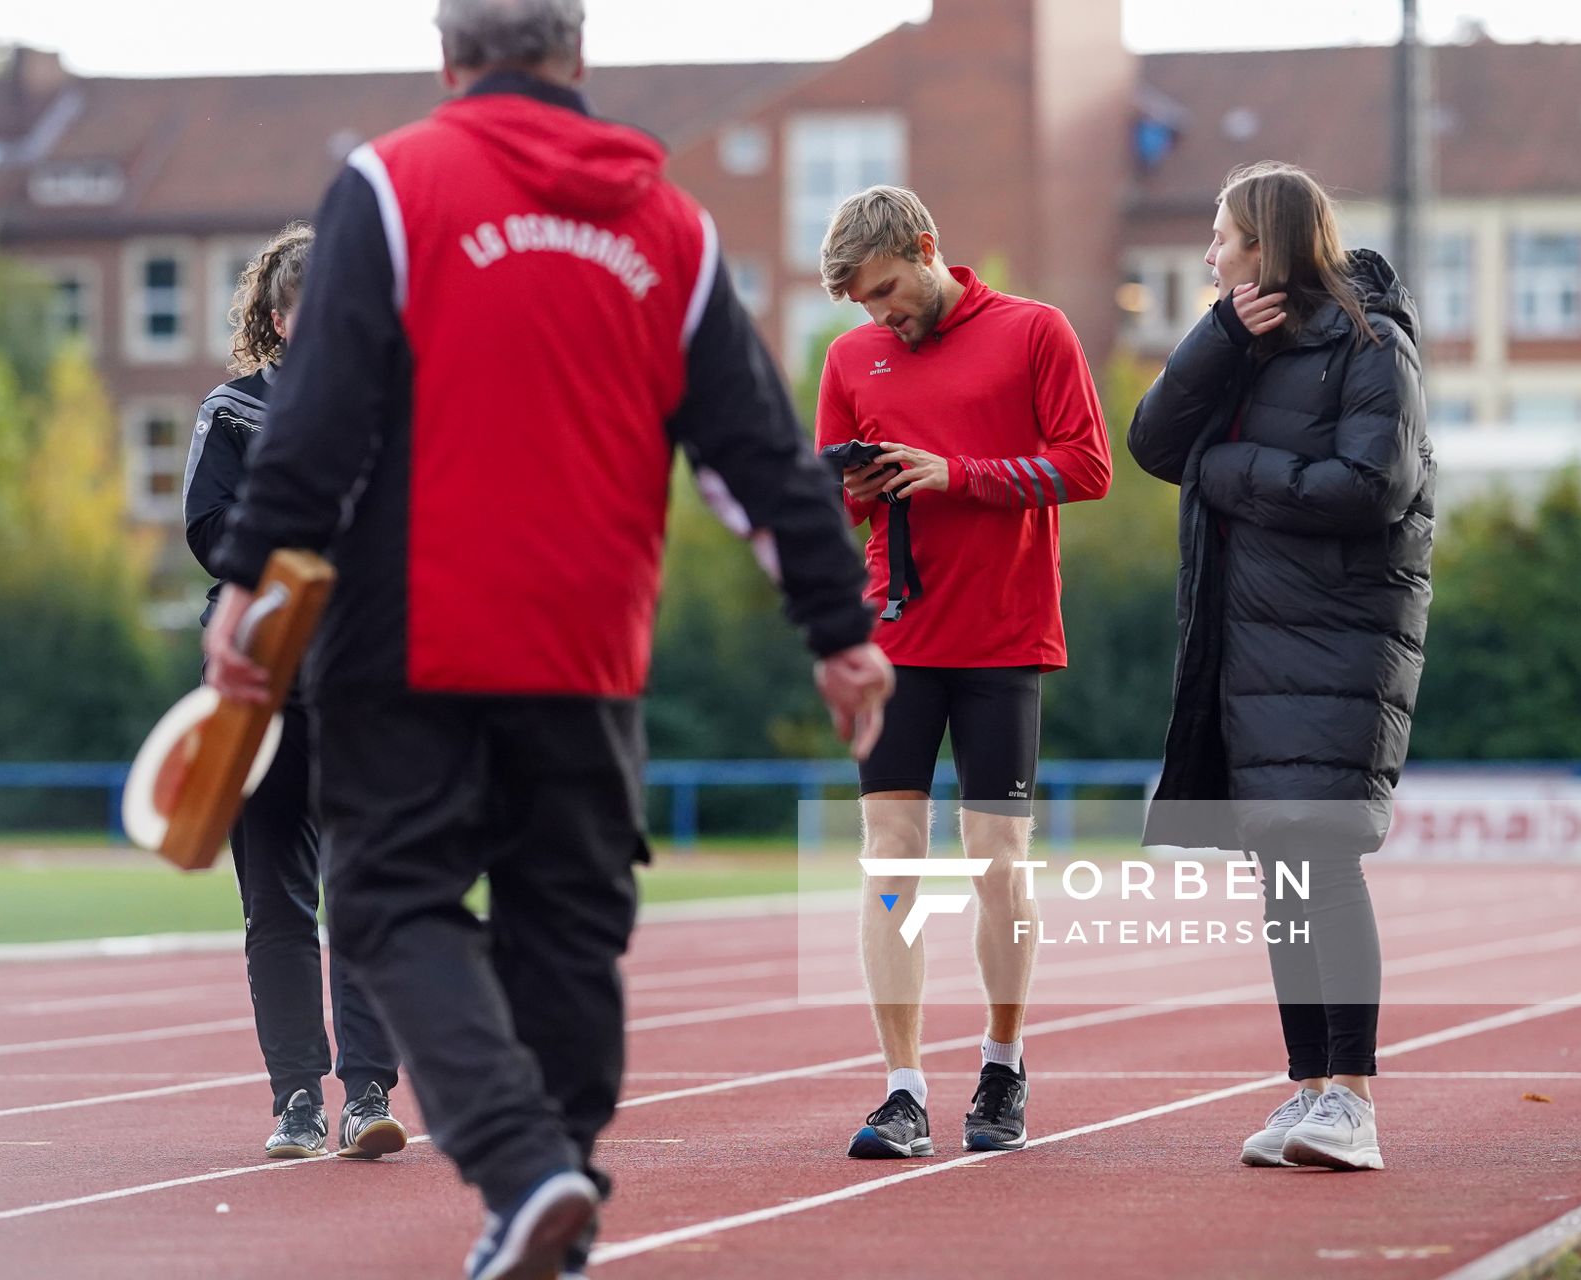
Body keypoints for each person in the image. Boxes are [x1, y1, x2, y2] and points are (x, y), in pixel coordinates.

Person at [201, 1, 891, 1275]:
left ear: (447, 56)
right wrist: (838, 625)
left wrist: (244, 582)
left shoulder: (391, 189)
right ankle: (554, 1202)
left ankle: (527, 1177)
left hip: (405, 635)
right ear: (578, 55)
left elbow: (318, 412)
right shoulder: (668, 223)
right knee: (567, 925)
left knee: (392, 895)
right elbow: (754, 448)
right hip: (588, 640)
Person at [1126, 161, 1434, 1172]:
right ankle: (1311, 1087)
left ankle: (1353, 1099)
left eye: (1221, 240)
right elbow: (1151, 442)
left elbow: (1370, 486)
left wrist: (1229, 471)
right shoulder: (1242, 346)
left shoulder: (1372, 344)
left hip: (1336, 642)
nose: (1210, 257)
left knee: (1321, 861)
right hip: (1249, 647)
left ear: (1266, 244)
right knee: (1285, 873)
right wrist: (1218, 335)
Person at [814, 186, 1112, 1160]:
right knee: (891, 860)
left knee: (998, 863)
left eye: (889, 290)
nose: (880, 316)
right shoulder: (851, 358)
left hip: (1004, 635)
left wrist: (959, 473)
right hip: (895, 637)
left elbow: (1089, 464)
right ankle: (902, 1089)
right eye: (864, 303)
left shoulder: (1035, 331)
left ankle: (1004, 1062)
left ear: (927, 248)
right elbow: (831, 514)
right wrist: (852, 491)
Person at [181, 221, 407, 1162]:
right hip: (262, 681)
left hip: (370, 681)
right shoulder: (231, 411)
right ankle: (296, 1102)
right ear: (276, 318)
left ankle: (366, 1098)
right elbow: (209, 527)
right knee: (275, 900)